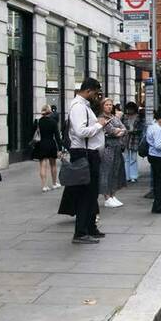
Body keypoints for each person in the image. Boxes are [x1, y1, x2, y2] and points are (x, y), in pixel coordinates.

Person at [58, 78, 107, 244]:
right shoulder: (78, 107)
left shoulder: (84, 106)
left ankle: (90, 227)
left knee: (92, 193)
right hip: (84, 154)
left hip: (89, 153)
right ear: (89, 90)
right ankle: (80, 232)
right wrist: (99, 125)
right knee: (85, 194)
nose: (96, 96)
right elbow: (81, 131)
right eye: (96, 93)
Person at [99, 97, 127, 208]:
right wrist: (118, 131)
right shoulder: (101, 118)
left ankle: (113, 194)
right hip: (107, 148)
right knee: (106, 172)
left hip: (117, 147)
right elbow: (112, 131)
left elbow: (124, 129)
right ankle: (107, 197)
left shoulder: (114, 117)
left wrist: (119, 131)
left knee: (116, 171)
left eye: (110, 105)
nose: (109, 106)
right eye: (107, 105)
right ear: (102, 106)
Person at [31, 104, 62, 192]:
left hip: (41, 144)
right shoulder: (53, 122)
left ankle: (44, 186)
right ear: (50, 112)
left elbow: (32, 133)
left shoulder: (38, 122)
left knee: (42, 165)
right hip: (51, 144)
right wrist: (60, 148)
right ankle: (54, 183)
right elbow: (57, 136)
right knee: (53, 165)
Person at [122, 102, 143, 183]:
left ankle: (133, 176)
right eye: (128, 108)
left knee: (133, 158)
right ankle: (127, 176)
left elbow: (141, 128)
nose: (129, 110)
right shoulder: (124, 117)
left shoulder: (138, 117)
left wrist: (135, 131)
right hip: (126, 138)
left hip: (135, 138)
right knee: (126, 158)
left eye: (131, 108)